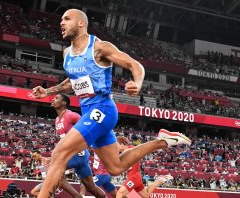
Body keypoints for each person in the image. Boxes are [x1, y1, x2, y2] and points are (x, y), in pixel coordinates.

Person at [31, 8, 191, 197]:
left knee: (59, 154)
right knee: (116, 167)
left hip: (103, 109)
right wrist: (48, 91)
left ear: (81, 23)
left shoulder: (99, 47)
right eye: (61, 19)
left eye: (67, 19)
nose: (61, 23)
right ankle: (162, 141)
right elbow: (72, 82)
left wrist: (137, 83)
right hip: (89, 111)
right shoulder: (67, 54)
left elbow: (134, 64)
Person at [52, 94, 105, 197]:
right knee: (90, 187)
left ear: (64, 103)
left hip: (76, 153)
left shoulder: (71, 115)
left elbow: (88, 125)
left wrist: (92, 142)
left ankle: (77, 196)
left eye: (56, 98)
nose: (53, 99)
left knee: (53, 171)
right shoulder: (57, 119)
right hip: (75, 155)